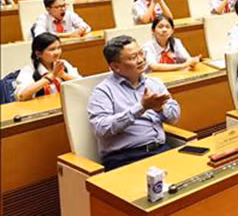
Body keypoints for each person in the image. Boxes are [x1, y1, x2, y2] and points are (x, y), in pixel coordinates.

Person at [88, 35, 180, 171]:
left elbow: (175, 117)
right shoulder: (103, 91)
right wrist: (141, 108)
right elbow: (101, 128)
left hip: (161, 150)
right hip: (126, 158)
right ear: (115, 67)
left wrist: (161, 109)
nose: (141, 60)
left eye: (141, 53)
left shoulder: (154, 83)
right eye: (133, 57)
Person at [14, 33, 82, 101]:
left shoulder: (63, 64)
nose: (57, 52)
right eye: (52, 49)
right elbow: (22, 96)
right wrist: (51, 76)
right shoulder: (29, 70)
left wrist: (64, 75)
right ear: (38, 53)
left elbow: (83, 84)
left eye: (59, 48)